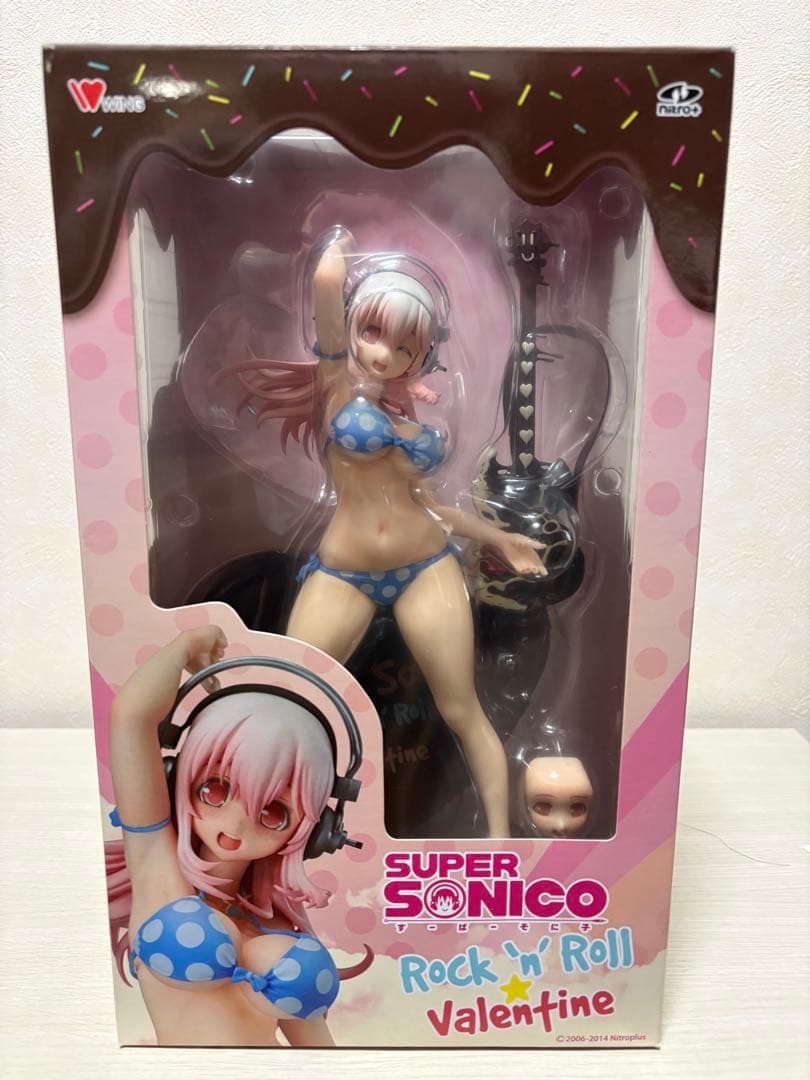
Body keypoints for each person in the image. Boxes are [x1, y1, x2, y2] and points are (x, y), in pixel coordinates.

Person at [216, 230, 547, 836]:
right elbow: (325, 288)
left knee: (461, 708)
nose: (385, 354)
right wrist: (336, 245)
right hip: (345, 570)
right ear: (352, 328)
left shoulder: (411, 412)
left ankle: (500, 844)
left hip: (426, 563)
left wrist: (500, 538)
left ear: (423, 354)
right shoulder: (336, 388)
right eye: (372, 332)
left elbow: (429, 503)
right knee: (289, 692)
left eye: (405, 346)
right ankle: (263, 829)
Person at [106, 625, 368, 1047]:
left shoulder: (279, 924)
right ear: (177, 777)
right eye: (215, 790)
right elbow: (130, 718)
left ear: (319, 830)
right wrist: (187, 644)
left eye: (273, 812)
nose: (236, 823)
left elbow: (319, 1053)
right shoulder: (158, 873)